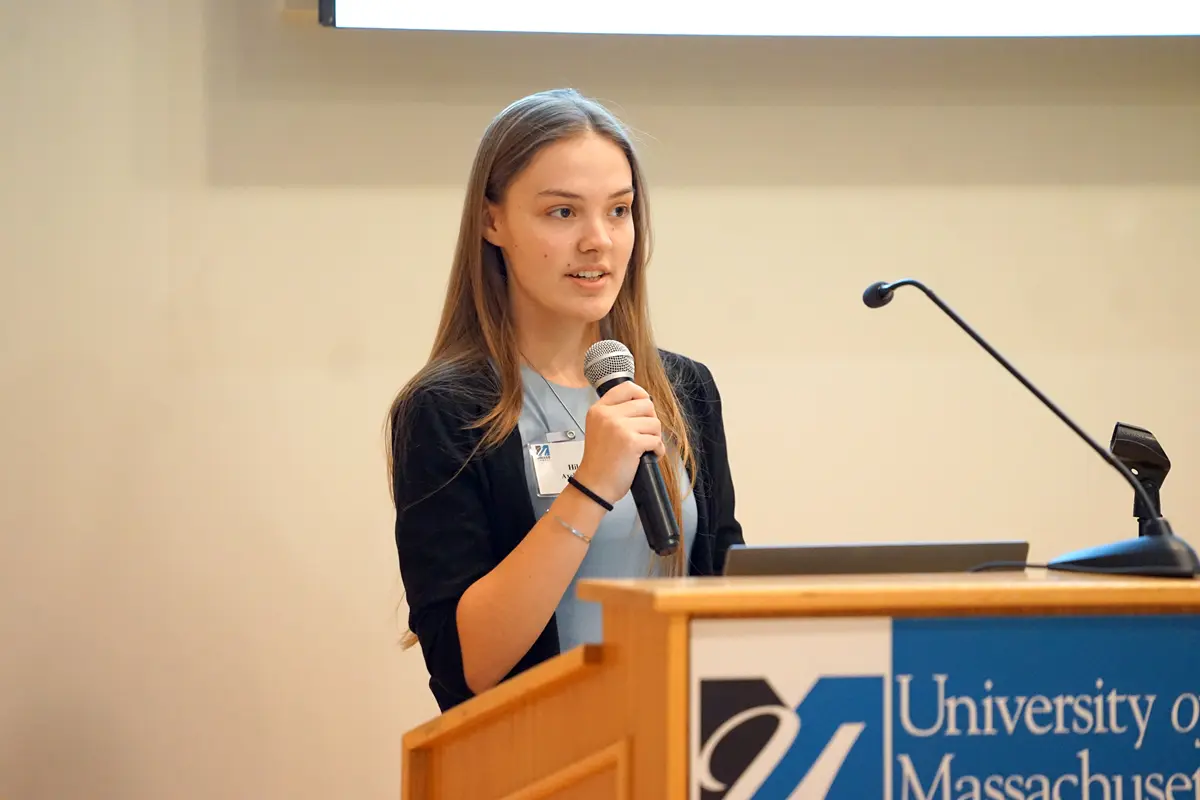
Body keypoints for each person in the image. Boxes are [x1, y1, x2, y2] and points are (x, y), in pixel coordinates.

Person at [386, 88, 744, 713]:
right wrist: (592, 483)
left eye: (619, 210)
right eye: (561, 213)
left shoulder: (685, 391)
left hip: (678, 747)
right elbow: (468, 665)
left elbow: (721, 589)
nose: (598, 241)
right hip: (535, 753)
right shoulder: (446, 411)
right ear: (492, 221)